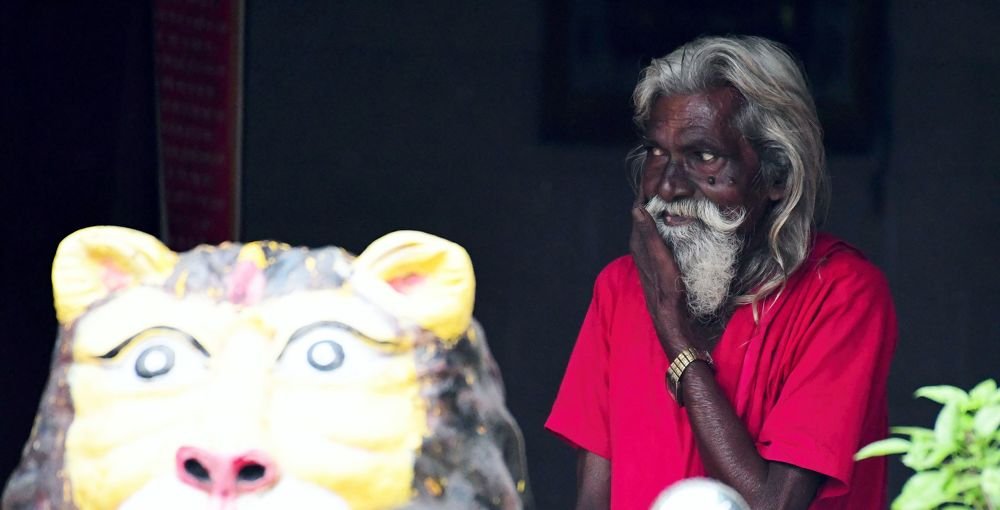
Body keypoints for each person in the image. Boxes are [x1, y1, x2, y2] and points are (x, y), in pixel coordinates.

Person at [546, 35, 897, 510]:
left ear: (777, 177)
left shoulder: (842, 295)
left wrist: (674, 332)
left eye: (705, 156)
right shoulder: (620, 288)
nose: (667, 186)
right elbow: (594, 495)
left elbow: (773, 504)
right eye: (656, 152)